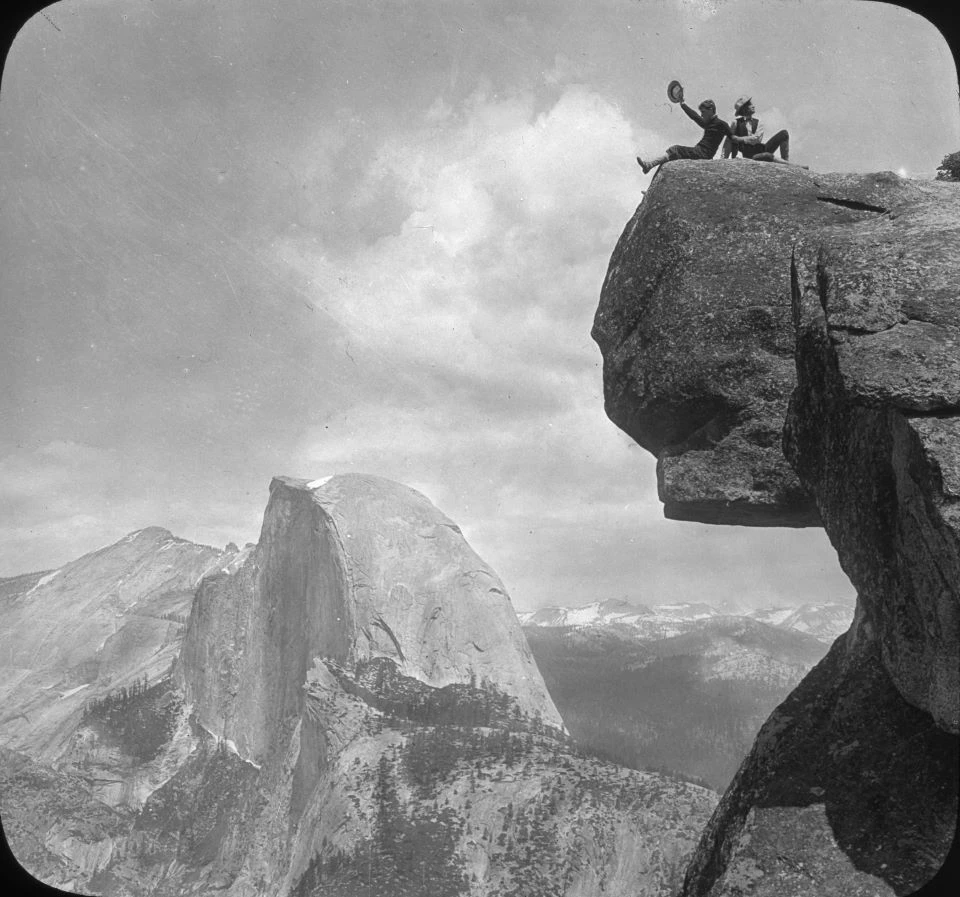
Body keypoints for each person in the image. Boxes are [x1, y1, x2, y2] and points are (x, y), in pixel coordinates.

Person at [636, 85, 733, 174]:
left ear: (711, 109)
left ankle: (649, 165)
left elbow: (733, 139)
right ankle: (650, 175)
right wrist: (682, 104)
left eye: (703, 112)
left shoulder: (721, 124)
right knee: (667, 160)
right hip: (700, 152)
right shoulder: (709, 123)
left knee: (675, 149)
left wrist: (731, 158)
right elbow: (694, 116)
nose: (701, 115)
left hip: (703, 154)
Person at [722, 96, 791, 163]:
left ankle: (785, 161)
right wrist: (723, 159)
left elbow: (756, 139)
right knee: (767, 156)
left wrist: (738, 139)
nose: (753, 106)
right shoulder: (736, 123)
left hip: (763, 149)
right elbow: (728, 142)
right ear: (744, 108)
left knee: (784, 133)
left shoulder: (759, 122)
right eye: (750, 104)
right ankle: (785, 163)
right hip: (751, 156)